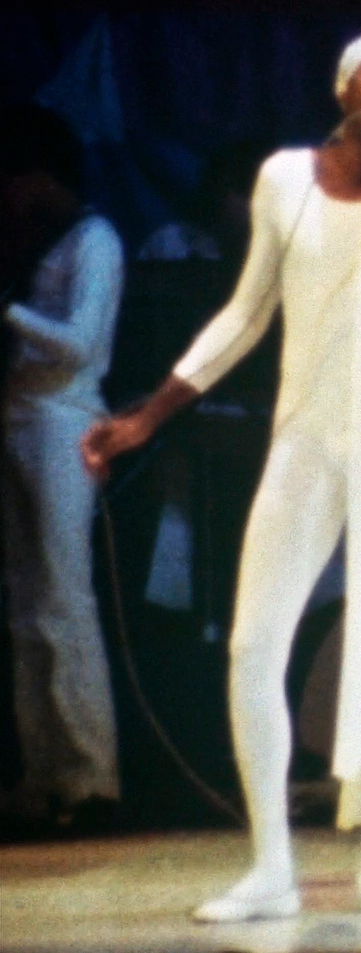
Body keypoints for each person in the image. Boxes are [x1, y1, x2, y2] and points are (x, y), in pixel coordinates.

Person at [81, 28, 361, 919]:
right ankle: (270, 867)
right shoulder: (284, 178)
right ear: (345, 85)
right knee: (256, 642)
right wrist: (146, 414)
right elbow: (246, 311)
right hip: (306, 435)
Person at [1, 102, 123, 833]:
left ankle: (91, 775)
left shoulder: (96, 239)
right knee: (26, 606)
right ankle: (42, 774)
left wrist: (8, 314)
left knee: (65, 598)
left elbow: (79, 345)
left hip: (64, 421)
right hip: (15, 417)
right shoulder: (35, 244)